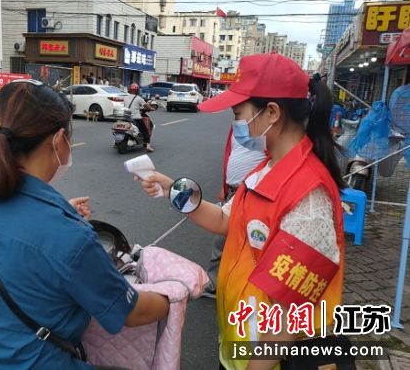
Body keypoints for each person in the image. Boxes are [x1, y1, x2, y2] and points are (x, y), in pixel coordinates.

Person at [0, 80, 169, 369]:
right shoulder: (70, 237)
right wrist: (172, 294)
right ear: (58, 141)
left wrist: (60, 214)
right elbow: (131, 312)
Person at [138, 53, 345, 370]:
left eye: (238, 114)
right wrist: (173, 189)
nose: (235, 124)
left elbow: (289, 313)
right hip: (240, 346)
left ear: (272, 113)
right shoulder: (267, 169)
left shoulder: (308, 194)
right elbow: (225, 220)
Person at [202, 125, 266, 299]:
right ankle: (219, 283)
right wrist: (225, 185)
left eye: (238, 111)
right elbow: (232, 155)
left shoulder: (267, 129)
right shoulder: (237, 127)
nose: (236, 117)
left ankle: (225, 286)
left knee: (234, 240)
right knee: (224, 239)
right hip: (233, 190)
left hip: (251, 191)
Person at [124, 82, 155, 153]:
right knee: (145, 130)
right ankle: (148, 146)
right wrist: (152, 109)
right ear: (137, 90)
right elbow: (146, 106)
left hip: (126, 117)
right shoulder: (139, 98)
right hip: (136, 118)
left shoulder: (125, 98)